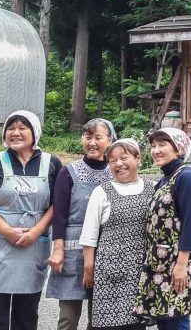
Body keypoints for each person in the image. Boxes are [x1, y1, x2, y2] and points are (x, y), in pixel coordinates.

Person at [0, 110, 63, 330]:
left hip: (34, 245)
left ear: (34, 132)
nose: (15, 133)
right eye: (11, 128)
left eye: (22, 128)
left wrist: (36, 231)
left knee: (27, 313)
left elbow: (57, 204)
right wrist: (7, 231)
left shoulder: (52, 163)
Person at [46, 119, 116, 330]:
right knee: (68, 317)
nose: (92, 143)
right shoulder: (69, 172)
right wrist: (58, 250)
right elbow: (59, 214)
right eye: (88, 137)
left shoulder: (116, 172)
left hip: (106, 250)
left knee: (100, 318)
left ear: (110, 140)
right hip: (72, 251)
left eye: (98, 138)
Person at [80, 138, 157, 330]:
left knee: (136, 325)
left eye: (124, 158)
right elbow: (89, 233)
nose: (118, 164)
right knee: (107, 324)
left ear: (138, 159)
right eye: (112, 161)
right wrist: (89, 268)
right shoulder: (102, 192)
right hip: (109, 272)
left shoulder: (154, 188)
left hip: (141, 273)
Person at [133, 128, 191, 330]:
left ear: (178, 148)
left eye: (162, 145)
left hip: (177, 264)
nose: (156, 150)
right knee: (164, 319)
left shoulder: (186, 176)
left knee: (176, 318)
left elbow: (190, 223)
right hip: (159, 265)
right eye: (153, 146)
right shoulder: (164, 179)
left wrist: (181, 265)